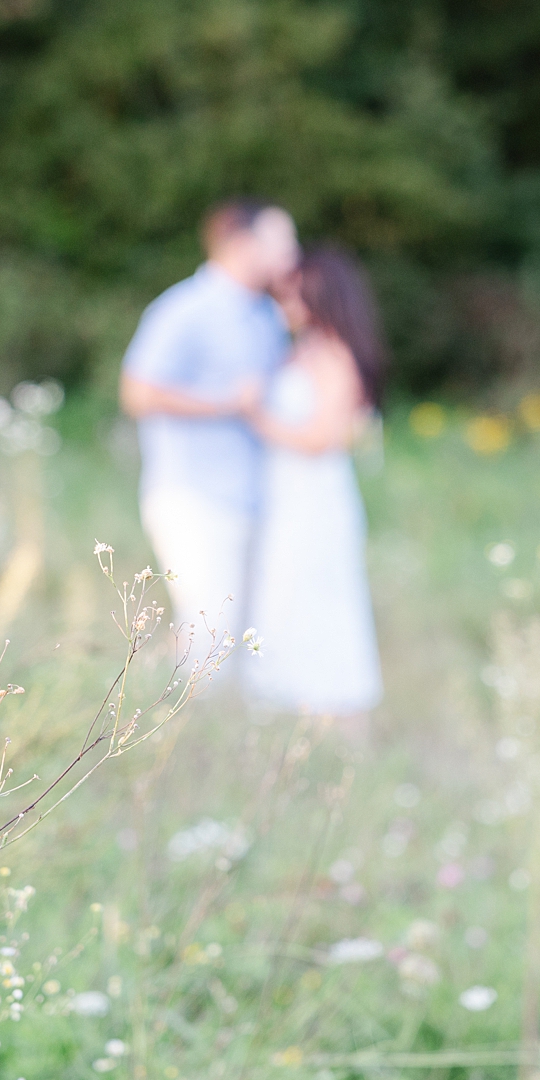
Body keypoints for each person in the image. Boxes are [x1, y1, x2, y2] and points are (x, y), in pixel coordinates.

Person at [119, 198, 299, 665]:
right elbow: (137, 393)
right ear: (242, 244)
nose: (291, 252)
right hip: (195, 496)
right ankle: (168, 731)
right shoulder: (184, 308)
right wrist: (225, 403)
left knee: (245, 641)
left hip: (256, 496)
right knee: (205, 637)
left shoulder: (267, 315)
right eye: (282, 240)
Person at [241, 244, 385, 717]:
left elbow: (323, 438)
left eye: (295, 296)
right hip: (284, 492)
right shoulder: (301, 350)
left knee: (315, 598)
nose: (286, 307)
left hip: (314, 494)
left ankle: (331, 708)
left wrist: (255, 415)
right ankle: (282, 703)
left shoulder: (335, 355)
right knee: (281, 597)